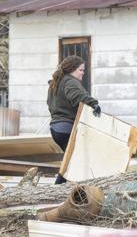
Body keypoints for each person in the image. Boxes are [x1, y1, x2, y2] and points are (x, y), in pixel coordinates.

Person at [47, 55, 101, 184]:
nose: (83, 73)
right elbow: (77, 96)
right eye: (80, 70)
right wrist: (93, 103)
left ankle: (62, 190)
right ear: (72, 69)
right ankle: (58, 190)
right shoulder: (70, 82)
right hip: (66, 130)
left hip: (56, 129)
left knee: (72, 161)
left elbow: (50, 105)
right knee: (76, 162)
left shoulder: (56, 82)